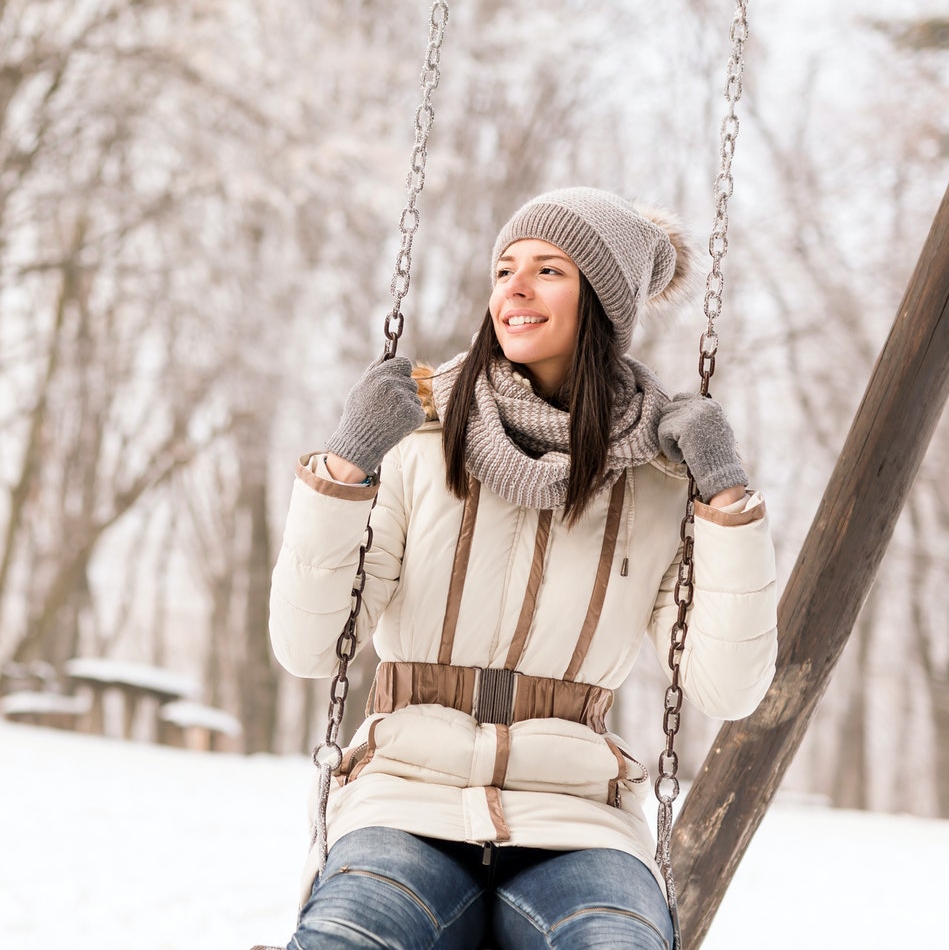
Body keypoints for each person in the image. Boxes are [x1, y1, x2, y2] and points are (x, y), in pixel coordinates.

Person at [272, 188, 778, 950]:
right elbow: (308, 648)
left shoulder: (655, 478)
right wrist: (346, 466)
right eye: (505, 267)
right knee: (351, 937)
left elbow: (726, 689)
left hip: (578, 821)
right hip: (405, 799)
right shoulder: (419, 440)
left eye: (549, 269)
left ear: (603, 304)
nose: (514, 286)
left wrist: (726, 496)